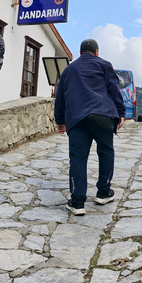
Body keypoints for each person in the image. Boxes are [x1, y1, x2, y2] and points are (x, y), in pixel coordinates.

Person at [54, 39, 126, 215]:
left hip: (77, 118)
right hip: (102, 114)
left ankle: (78, 202)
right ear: (97, 52)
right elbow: (114, 89)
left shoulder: (69, 69)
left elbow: (60, 97)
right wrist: (121, 112)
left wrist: (60, 121)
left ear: (80, 53)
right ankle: (103, 192)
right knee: (106, 151)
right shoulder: (105, 65)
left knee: (78, 158)